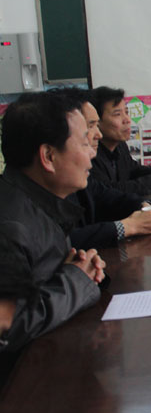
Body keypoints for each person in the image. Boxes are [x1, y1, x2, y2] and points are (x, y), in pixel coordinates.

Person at [0, 92, 105, 353]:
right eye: (84, 143)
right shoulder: (10, 226)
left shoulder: (41, 200)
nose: (91, 154)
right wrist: (76, 280)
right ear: (48, 156)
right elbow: (8, 327)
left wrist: (85, 270)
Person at [50, 87, 151, 250]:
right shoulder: (24, 211)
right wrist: (128, 226)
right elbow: (58, 243)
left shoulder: (113, 150)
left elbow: (105, 194)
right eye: (90, 126)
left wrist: (143, 205)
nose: (98, 135)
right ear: (49, 155)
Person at [90, 86, 151, 195]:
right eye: (117, 114)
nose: (127, 120)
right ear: (96, 121)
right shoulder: (90, 154)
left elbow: (131, 170)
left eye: (126, 112)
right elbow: (107, 192)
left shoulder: (119, 144)